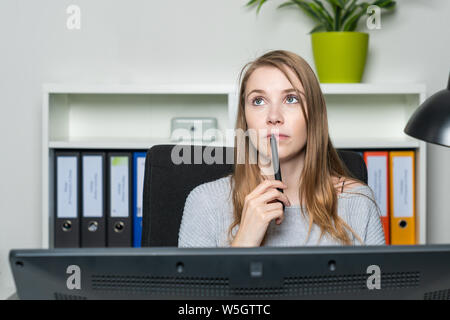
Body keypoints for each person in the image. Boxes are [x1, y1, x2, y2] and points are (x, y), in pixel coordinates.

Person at [178, 50, 385, 247]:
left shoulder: (357, 201)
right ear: (245, 117)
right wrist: (244, 242)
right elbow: (193, 286)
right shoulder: (205, 203)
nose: (274, 116)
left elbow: (376, 284)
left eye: (291, 99)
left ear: (314, 114)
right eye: (258, 101)